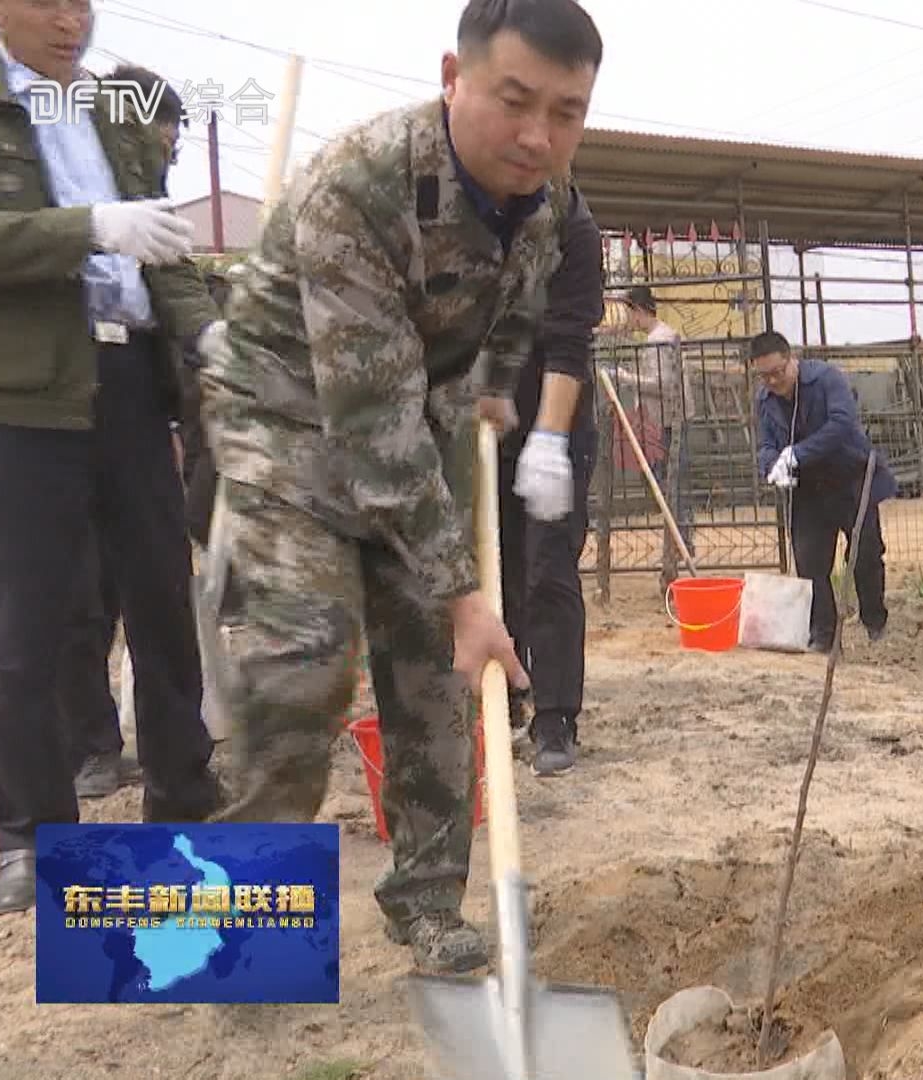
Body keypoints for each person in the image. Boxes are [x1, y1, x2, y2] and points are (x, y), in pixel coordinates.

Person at [198, 0, 604, 974]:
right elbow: (367, 423)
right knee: (303, 661)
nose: (538, 135)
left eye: (567, 111)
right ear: (453, 77)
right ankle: (234, 927)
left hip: (416, 408)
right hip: (287, 407)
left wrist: (498, 395)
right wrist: (466, 592)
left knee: (436, 673)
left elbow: (515, 316)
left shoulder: (547, 203)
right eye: (514, 101)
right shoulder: (364, 182)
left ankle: (426, 907)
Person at [0, 0, 223, 913]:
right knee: (27, 624)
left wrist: (204, 333)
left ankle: (182, 797)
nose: (69, 21)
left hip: (129, 385)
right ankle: (32, 838)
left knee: (164, 600)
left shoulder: (115, 115)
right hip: (19, 397)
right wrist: (90, 227)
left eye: (81, 3)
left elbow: (163, 248)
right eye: (46, 2)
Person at [62, 60, 196, 799]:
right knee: (79, 585)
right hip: (62, 384)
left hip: (136, 379)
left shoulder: (150, 197)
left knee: (160, 580)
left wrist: (176, 405)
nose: (168, 149)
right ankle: (91, 744)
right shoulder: (59, 173)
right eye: (161, 132)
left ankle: (181, 762)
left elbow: (171, 295)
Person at [497, 193, 605, 778]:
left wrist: (547, 438)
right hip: (480, 419)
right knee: (494, 569)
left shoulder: (573, 225)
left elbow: (569, 340)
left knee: (547, 568)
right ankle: (502, 697)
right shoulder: (456, 205)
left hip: (555, 423)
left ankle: (556, 716)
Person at [749, 331, 894, 649]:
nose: (773, 381)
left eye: (777, 372)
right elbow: (766, 443)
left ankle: (874, 623)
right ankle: (824, 635)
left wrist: (796, 454)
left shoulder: (827, 379)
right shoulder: (764, 400)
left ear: (792, 361)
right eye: (764, 376)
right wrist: (773, 466)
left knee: (865, 554)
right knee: (810, 562)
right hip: (807, 490)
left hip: (850, 479)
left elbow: (841, 424)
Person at [614, 284, 694, 569]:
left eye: (629, 312)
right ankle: (680, 544)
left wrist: (626, 378)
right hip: (666, 417)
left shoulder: (658, 340)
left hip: (666, 420)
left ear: (638, 311)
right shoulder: (662, 336)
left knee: (672, 486)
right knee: (671, 485)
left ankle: (680, 546)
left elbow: (662, 383)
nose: (628, 319)